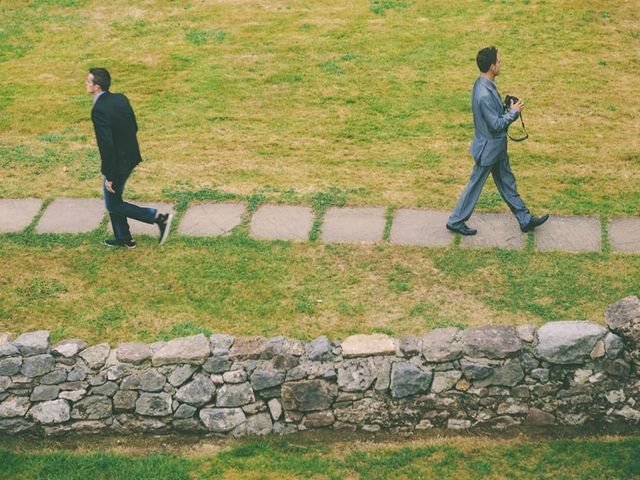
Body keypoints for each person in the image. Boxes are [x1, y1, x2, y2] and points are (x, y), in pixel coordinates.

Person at [446, 47, 548, 236]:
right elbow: (495, 124)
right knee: (475, 184)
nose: (501, 63)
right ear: (492, 67)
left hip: (495, 148)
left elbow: (491, 116)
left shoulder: (483, 84)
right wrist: (514, 112)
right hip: (489, 150)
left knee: (507, 182)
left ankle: (524, 218)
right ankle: (456, 221)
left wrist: (504, 106)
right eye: (498, 61)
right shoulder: (484, 93)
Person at [86, 67, 173, 248]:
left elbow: (106, 145)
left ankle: (158, 218)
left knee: (113, 204)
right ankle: (123, 237)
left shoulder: (99, 110)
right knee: (114, 200)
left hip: (118, 163)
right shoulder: (120, 98)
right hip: (131, 155)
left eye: (88, 81)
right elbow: (133, 127)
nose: (85, 84)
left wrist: (109, 175)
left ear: (97, 86)